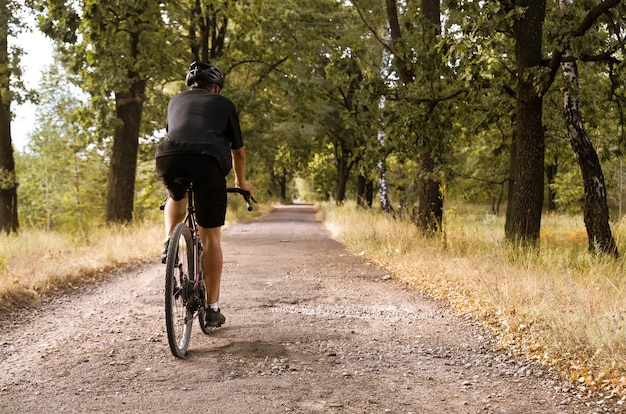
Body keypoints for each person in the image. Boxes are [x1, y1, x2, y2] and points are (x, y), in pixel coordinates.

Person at [155, 61, 252, 327]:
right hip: (208, 163)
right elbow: (238, 152)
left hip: (168, 157)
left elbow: (178, 133)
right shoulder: (224, 104)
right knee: (211, 238)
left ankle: (169, 241)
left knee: (177, 195)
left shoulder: (175, 101)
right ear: (216, 88)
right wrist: (241, 181)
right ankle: (211, 308)